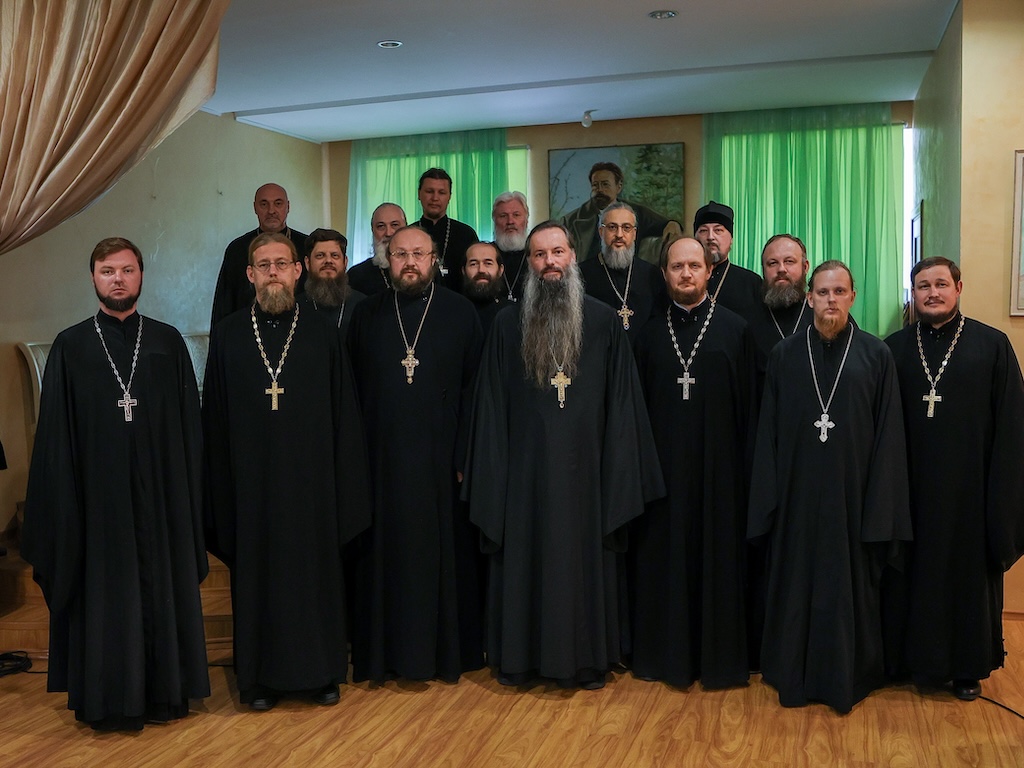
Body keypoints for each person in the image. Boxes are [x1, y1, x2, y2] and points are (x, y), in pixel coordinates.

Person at [463, 221, 664, 689]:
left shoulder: (604, 322)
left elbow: (623, 406)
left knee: (585, 563)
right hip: (524, 477)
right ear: (528, 264)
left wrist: (618, 470)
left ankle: (588, 661)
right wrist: (493, 472)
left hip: (589, 476)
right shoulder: (506, 324)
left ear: (573, 256)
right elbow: (489, 408)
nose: (549, 262)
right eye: (539, 254)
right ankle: (520, 660)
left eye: (557, 252)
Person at [21, 237, 209, 731]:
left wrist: (188, 497)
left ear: (141, 275)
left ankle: (165, 694)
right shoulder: (71, 346)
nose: (118, 279)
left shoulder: (167, 343)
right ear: (93, 278)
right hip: (96, 504)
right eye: (108, 271)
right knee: (105, 597)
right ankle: (105, 699)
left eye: (127, 270)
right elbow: (55, 437)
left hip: (160, 499)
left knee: (159, 588)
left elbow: (189, 431)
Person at [203, 232, 371, 711]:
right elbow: (214, 420)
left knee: (316, 578)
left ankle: (322, 675)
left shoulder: (321, 332)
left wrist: (344, 485)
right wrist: (218, 488)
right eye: (264, 265)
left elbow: (343, 415)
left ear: (299, 272)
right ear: (250, 275)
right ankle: (258, 682)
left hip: (313, 487)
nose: (273, 272)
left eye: (282, 264)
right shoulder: (229, 335)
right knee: (257, 580)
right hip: (251, 488)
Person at [748, 259, 911, 714]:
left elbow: (889, 436)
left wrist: (881, 508)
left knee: (848, 587)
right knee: (796, 583)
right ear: (809, 297)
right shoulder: (785, 355)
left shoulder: (876, 355)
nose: (831, 300)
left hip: (853, 498)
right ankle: (792, 673)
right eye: (822, 292)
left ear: (852, 297)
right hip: (797, 496)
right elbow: (768, 435)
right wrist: (768, 501)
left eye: (839, 292)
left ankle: (848, 676)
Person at [346, 225, 485, 683]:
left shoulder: (461, 313)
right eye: (400, 254)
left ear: (434, 260)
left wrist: (465, 456)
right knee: (383, 562)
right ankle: (383, 657)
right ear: (387, 260)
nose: (409, 262)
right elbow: (350, 392)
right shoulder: (366, 314)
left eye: (418, 254)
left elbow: (475, 392)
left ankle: (444, 655)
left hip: (442, 464)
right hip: (380, 463)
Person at [884, 256, 1024, 701]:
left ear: (958, 288)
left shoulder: (992, 345)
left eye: (941, 284)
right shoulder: (893, 349)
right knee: (912, 575)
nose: (933, 293)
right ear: (913, 294)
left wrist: (1002, 498)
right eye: (923, 286)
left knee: (967, 579)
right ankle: (910, 661)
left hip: (971, 491)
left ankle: (967, 668)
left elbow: (1012, 427)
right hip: (910, 489)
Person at [630, 236, 756, 689]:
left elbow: (750, 410)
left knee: (717, 563)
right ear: (664, 274)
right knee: (664, 563)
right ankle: (664, 658)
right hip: (662, 477)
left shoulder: (736, 330)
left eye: (694, 266)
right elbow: (635, 414)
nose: (686, 274)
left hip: (721, 477)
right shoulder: (647, 335)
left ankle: (719, 661)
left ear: (709, 271)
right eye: (677, 267)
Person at [210, 183, 308, 328]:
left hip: (300, 328)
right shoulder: (237, 249)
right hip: (247, 330)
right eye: (264, 204)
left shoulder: (307, 247)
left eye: (278, 203)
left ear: (288, 207)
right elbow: (225, 304)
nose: (271, 210)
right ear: (255, 208)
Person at [579, 201, 665, 342]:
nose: (619, 234)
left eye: (626, 228)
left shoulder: (651, 274)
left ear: (634, 234)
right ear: (601, 232)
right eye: (612, 227)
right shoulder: (582, 274)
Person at [561, 162, 678, 262]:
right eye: (595, 185)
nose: (600, 190)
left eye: (605, 184)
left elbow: (665, 224)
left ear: (619, 187)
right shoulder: (571, 220)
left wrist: (672, 224)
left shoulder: (636, 212)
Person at [693, 201, 762, 325]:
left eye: (718, 230)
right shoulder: (685, 279)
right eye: (703, 230)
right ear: (695, 238)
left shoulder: (751, 283)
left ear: (731, 239)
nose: (710, 237)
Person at [749, 234, 813, 366]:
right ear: (763, 270)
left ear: (805, 267)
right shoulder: (749, 320)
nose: (781, 269)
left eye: (789, 261)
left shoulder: (822, 314)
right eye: (773, 263)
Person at [415, 168, 479, 292]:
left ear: (449, 196)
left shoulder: (466, 234)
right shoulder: (408, 234)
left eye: (441, 192)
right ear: (419, 194)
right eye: (429, 191)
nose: (435, 198)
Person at [299, 227, 365, 339]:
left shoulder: (363, 306)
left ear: (345, 262)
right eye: (320, 255)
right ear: (307, 263)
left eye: (335, 255)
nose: (328, 261)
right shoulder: (296, 307)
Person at [348, 202, 407, 296]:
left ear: (406, 228)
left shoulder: (422, 269)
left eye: (395, 225)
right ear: (372, 230)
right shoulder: (357, 275)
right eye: (381, 226)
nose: (388, 233)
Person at [462, 241, 510, 337]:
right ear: (463, 271)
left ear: (500, 270)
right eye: (473, 264)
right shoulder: (452, 311)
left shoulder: (512, 314)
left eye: (488, 263)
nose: (481, 270)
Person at [491, 191, 530, 301]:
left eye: (516, 215)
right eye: (503, 216)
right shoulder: (487, 254)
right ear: (494, 221)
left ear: (526, 220)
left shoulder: (537, 254)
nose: (510, 221)